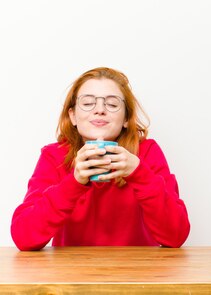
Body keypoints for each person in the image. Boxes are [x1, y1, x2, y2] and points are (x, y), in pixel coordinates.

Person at [11, 67, 190, 251]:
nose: (99, 110)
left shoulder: (146, 152)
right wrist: (74, 182)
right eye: (88, 103)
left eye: (112, 105)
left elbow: (175, 236)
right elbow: (24, 237)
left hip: (138, 275)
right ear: (73, 116)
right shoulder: (54, 156)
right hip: (72, 276)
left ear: (126, 119)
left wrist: (139, 173)